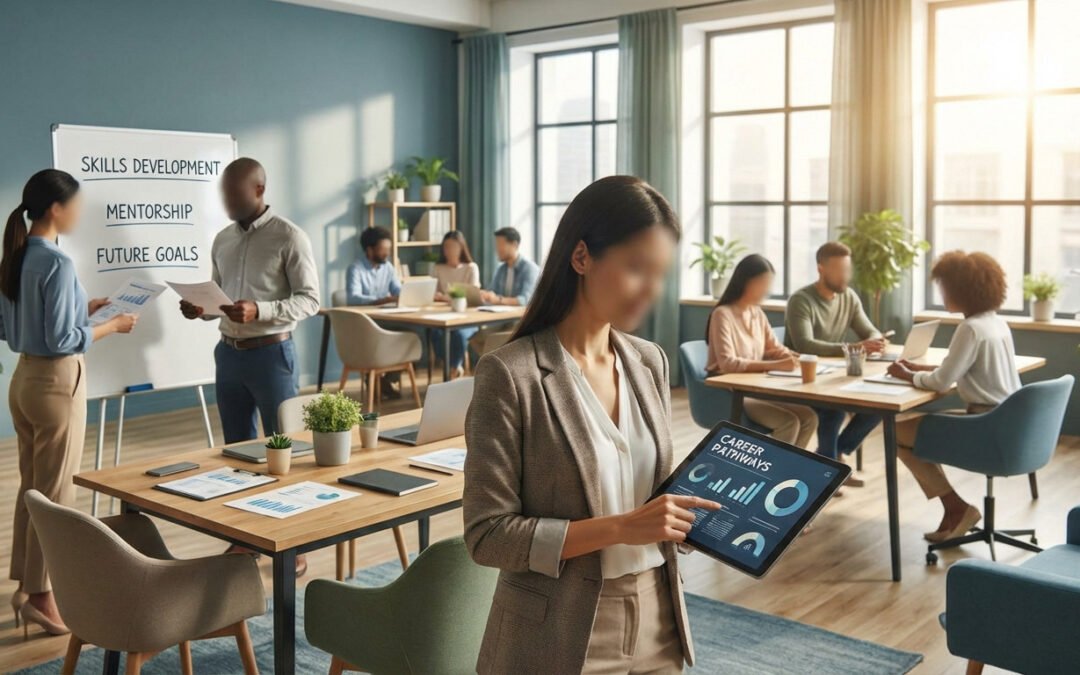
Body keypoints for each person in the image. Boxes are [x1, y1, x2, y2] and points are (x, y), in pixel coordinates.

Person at [464, 176, 719, 674]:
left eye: (660, 274)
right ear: (581, 257)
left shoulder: (649, 361)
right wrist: (623, 527)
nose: (651, 290)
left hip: (660, 620)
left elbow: (653, 497)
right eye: (636, 268)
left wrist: (695, 522)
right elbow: (487, 535)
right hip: (559, 631)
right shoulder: (510, 375)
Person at [2, 170, 137, 636]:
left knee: (32, 490)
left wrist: (83, 307)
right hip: (57, 384)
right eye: (76, 205)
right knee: (56, 495)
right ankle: (42, 595)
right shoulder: (56, 262)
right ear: (56, 209)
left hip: (24, 381)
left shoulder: (16, 255)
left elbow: (10, 325)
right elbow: (63, 340)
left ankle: (27, 588)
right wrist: (111, 325)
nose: (79, 213)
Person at [179, 158, 319, 575]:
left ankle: (294, 544)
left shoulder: (289, 237)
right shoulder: (222, 239)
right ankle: (245, 539)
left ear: (259, 190)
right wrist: (200, 309)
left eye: (234, 195)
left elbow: (311, 300)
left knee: (284, 450)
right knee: (237, 451)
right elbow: (220, 298)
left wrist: (261, 309)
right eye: (223, 195)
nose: (226, 202)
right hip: (228, 355)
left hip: (272, 355)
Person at [886, 251, 1020, 542]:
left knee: (892, 433)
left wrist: (906, 374)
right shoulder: (995, 323)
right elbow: (961, 369)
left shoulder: (969, 328)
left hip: (984, 426)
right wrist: (921, 369)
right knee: (908, 435)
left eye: (944, 286)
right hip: (1006, 421)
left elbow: (942, 383)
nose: (942, 293)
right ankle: (954, 510)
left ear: (962, 289)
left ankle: (956, 507)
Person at [785, 241, 885, 483]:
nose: (845, 276)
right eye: (839, 270)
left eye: (847, 270)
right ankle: (828, 474)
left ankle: (832, 459)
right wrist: (854, 348)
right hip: (801, 379)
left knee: (881, 405)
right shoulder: (801, 300)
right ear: (821, 268)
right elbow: (805, 345)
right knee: (834, 410)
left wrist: (875, 341)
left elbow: (869, 330)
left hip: (834, 376)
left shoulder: (848, 297)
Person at [706, 255, 817, 448]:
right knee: (789, 422)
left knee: (809, 417)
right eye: (763, 284)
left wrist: (793, 357)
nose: (767, 290)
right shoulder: (722, 314)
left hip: (754, 387)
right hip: (729, 392)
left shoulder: (757, 313)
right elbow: (728, 363)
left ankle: (789, 466)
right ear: (745, 282)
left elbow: (774, 348)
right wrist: (777, 365)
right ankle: (771, 467)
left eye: (769, 284)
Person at [431, 231, 480, 378]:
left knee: (459, 334)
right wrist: (444, 298)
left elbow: (472, 295)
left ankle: (453, 368)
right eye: (446, 247)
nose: (449, 250)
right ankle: (454, 367)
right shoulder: (438, 268)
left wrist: (445, 297)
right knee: (435, 332)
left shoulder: (471, 267)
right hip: (443, 315)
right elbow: (433, 294)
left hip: (468, 317)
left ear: (461, 248)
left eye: (453, 246)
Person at [478, 226, 538, 307]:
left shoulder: (529, 269)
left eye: (501, 245)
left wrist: (498, 300)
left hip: (520, 314)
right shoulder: (501, 269)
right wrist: (485, 295)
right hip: (503, 314)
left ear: (515, 245)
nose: (497, 249)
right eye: (496, 245)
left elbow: (526, 300)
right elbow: (492, 292)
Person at [346, 226, 400, 306]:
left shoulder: (389, 267)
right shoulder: (355, 269)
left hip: (385, 312)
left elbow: (397, 289)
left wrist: (403, 295)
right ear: (369, 250)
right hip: (364, 313)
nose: (387, 254)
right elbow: (353, 299)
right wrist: (383, 300)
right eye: (383, 250)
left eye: (388, 249)